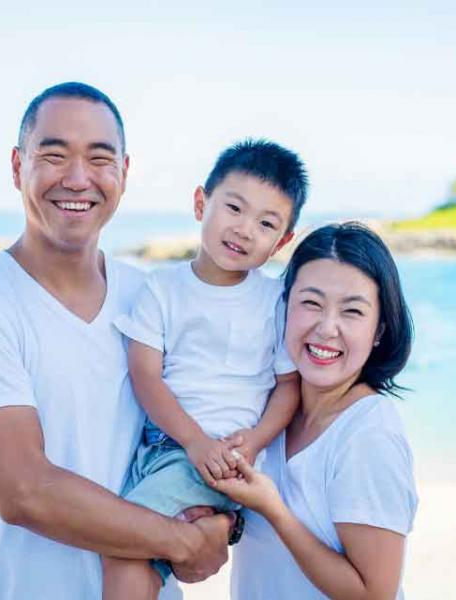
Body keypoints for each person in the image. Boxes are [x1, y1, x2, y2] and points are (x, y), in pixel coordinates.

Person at [0, 82, 233, 599]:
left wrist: (223, 521)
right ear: (18, 167)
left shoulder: (151, 299)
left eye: (98, 158)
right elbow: (23, 490)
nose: (77, 178)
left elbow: (207, 427)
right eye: (53, 154)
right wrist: (182, 542)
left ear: (124, 174)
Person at [102, 139, 308, 599]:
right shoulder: (163, 289)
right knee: (143, 557)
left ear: (283, 241)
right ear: (201, 203)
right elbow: (145, 375)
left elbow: (287, 386)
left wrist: (253, 441)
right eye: (234, 208)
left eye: (266, 223)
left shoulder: (274, 301)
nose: (244, 229)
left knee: (124, 547)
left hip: (219, 459)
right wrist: (191, 440)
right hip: (161, 451)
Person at [216, 222, 418, 599]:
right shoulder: (266, 411)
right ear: (285, 307)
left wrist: (274, 511)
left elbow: (376, 594)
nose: (327, 328)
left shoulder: (368, 435)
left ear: (379, 331)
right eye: (311, 303)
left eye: (352, 312)